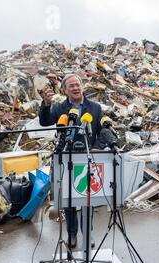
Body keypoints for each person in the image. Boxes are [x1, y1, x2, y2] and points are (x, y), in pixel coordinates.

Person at [39, 74, 103, 249]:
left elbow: (102, 132)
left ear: (82, 86)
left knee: (86, 199)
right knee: (69, 201)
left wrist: (97, 147)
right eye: (71, 86)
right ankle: (72, 234)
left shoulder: (95, 107)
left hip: (88, 158)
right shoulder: (60, 107)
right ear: (65, 90)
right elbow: (44, 121)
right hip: (66, 157)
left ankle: (87, 234)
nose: (76, 88)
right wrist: (46, 104)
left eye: (78, 85)